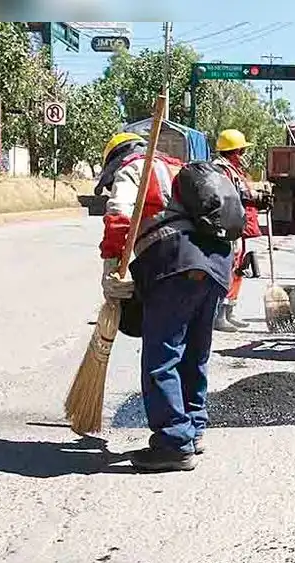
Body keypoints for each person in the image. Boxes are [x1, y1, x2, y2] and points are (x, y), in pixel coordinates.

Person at [97, 132, 233, 472]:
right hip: (216, 263)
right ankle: (193, 429)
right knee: (194, 353)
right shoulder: (180, 168)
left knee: (162, 357)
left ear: (115, 159)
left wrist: (112, 267)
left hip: (175, 263)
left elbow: (119, 217)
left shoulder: (134, 169)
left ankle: (173, 443)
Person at [211, 129, 269, 332]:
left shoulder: (233, 169)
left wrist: (258, 194)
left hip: (237, 225)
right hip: (227, 226)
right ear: (235, 151)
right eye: (242, 150)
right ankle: (219, 315)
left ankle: (229, 311)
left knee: (238, 268)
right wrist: (255, 194)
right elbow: (233, 193)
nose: (243, 155)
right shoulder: (221, 170)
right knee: (227, 268)